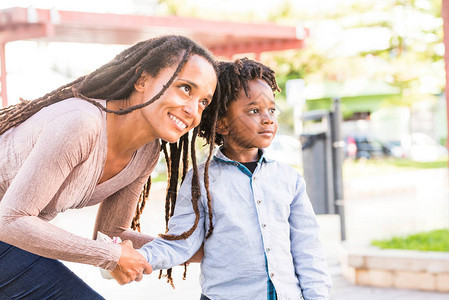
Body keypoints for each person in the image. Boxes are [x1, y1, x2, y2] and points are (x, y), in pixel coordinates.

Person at [0, 35, 218, 299]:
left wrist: (206, 248)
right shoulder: (81, 123)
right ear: (142, 80)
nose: (193, 110)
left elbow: (110, 233)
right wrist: (112, 256)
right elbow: (10, 221)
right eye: (185, 88)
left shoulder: (146, 152)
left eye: (204, 102)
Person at [138, 58, 332, 300]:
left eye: (271, 110)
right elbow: (181, 242)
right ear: (222, 123)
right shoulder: (201, 180)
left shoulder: (289, 179)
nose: (268, 118)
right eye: (254, 111)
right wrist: (137, 259)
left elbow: (308, 249)